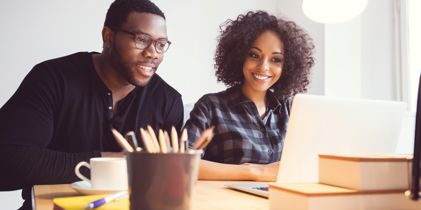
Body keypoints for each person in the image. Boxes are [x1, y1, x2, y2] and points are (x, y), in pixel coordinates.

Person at [0, 0, 183, 209]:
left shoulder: (168, 102)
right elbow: (7, 159)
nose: (153, 53)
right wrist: (111, 162)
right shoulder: (52, 79)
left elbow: (166, 181)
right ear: (108, 36)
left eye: (161, 44)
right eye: (142, 39)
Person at [184, 11, 314, 181]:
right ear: (239, 56)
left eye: (276, 60)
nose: (263, 67)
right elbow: (183, 164)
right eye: (254, 55)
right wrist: (256, 172)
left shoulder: (291, 109)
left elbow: (307, 164)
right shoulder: (211, 106)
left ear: (287, 66)